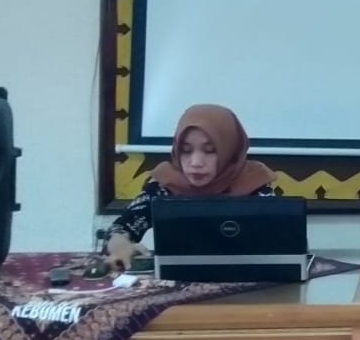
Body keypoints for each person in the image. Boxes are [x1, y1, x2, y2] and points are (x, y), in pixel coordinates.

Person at [103, 103, 278, 268]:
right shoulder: (164, 184)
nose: (195, 163)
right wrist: (120, 246)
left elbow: (279, 239)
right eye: (186, 151)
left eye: (210, 151)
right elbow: (121, 228)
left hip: (246, 283)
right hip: (176, 283)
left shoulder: (254, 184)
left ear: (230, 151)